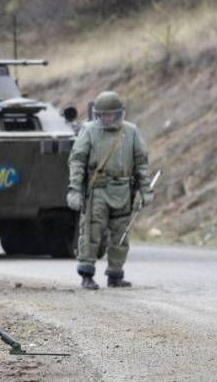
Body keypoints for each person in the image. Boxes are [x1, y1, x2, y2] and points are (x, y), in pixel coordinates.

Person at [67, 91, 152, 290]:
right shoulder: (89, 130)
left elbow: (141, 163)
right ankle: (87, 274)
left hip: (123, 190)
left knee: (121, 235)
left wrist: (145, 190)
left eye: (110, 115)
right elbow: (77, 161)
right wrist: (74, 190)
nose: (106, 118)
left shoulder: (131, 132)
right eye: (102, 115)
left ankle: (115, 274)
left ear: (119, 113)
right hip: (97, 191)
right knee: (91, 232)